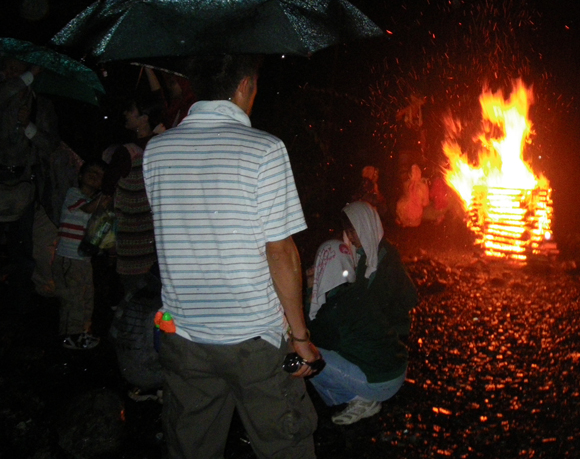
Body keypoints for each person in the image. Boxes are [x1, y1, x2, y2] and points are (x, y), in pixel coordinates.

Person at [143, 54, 319, 459]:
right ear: (244, 85)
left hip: (183, 336)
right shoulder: (264, 150)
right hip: (253, 339)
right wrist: (299, 337)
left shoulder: (157, 151)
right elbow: (280, 252)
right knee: (285, 444)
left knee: (191, 446)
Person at [308, 201, 418, 425]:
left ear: (367, 226)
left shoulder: (385, 259)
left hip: (386, 330)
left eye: (354, 230)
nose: (351, 236)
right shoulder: (360, 254)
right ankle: (360, 386)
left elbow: (404, 297)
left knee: (319, 351)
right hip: (368, 327)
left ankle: (362, 392)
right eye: (348, 231)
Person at [1, 57, 60, 313]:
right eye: (7, 67)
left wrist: (29, 127)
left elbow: (50, 145)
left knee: (23, 249)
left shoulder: (42, 105)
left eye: (17, 66)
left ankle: (19, 309)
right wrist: (28, 75)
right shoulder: (3, 97)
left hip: (24, 185)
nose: (10, 71)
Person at [102, 93, 165, 299]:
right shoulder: (162, 145)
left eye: (131, 110)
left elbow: (107, 187)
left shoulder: (126, 152)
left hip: (131, 238)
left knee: (131, 296)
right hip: (157, 236)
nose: (125, 114)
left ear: (144, 118)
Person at [53, 160, 108, 350]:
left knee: (86, 298)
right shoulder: (73, 194)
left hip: (83, 259)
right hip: (68, 258)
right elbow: (87, 208)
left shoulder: (98, 203)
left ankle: (82, 333)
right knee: (72, 299)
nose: (94, 175)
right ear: (80, 176)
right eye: (91, 171)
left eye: (100, 175)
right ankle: (69, 336)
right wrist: (107, 196)